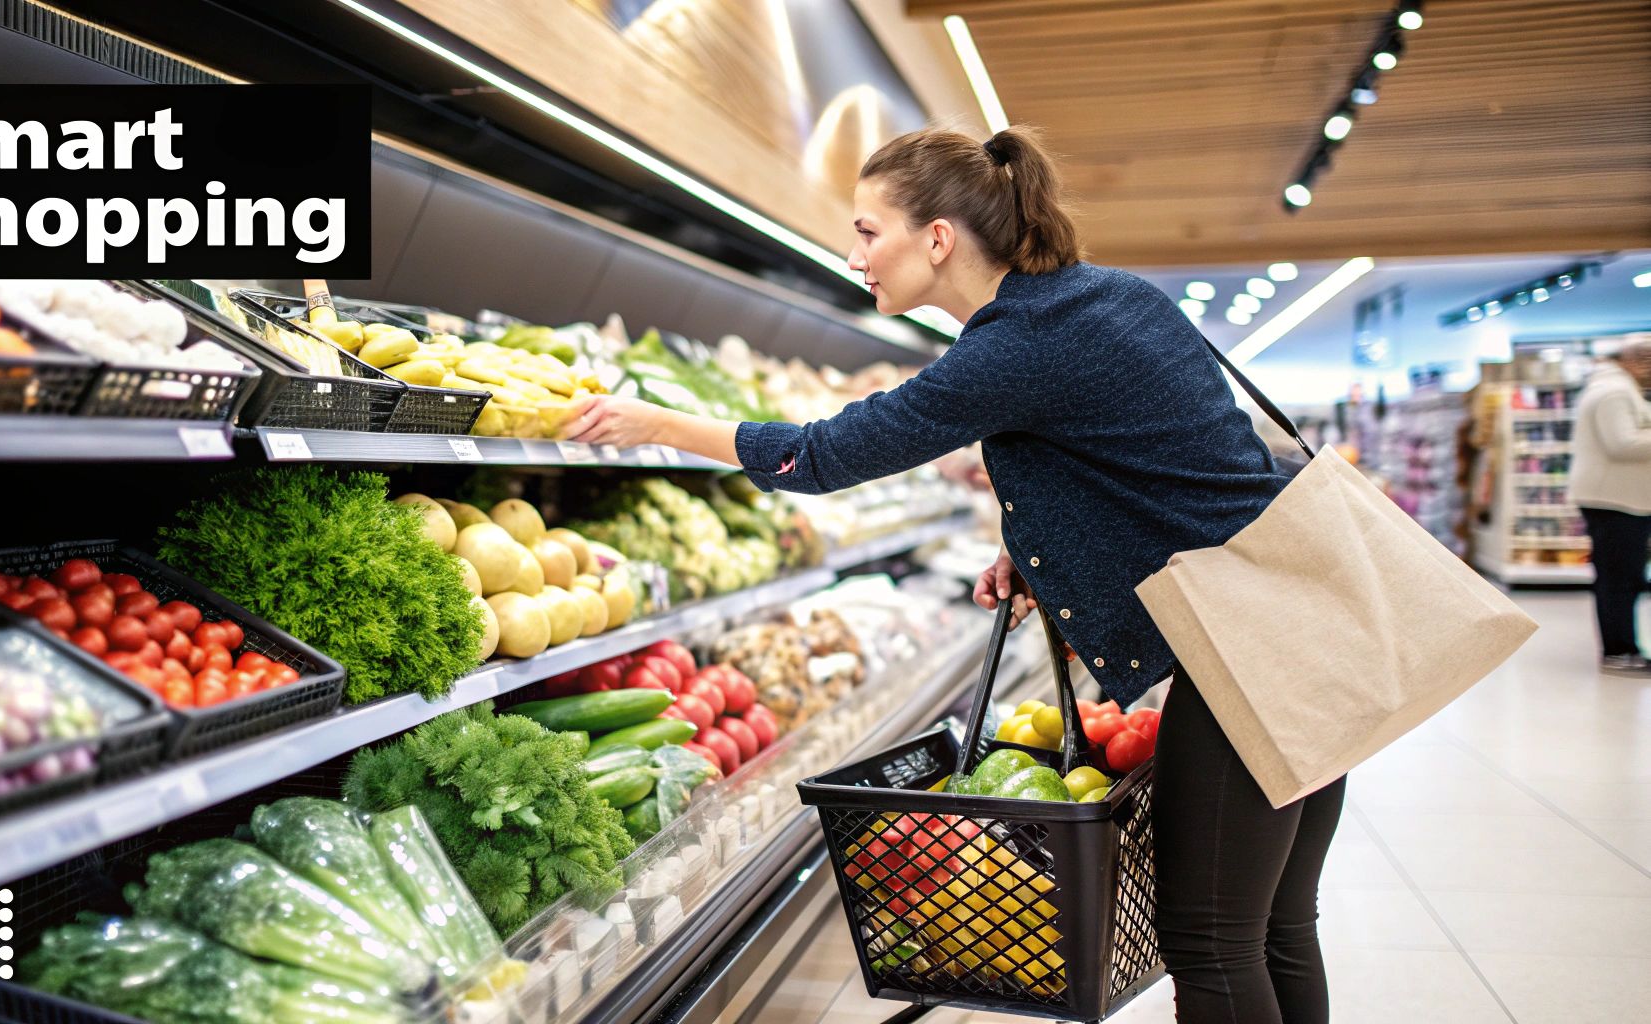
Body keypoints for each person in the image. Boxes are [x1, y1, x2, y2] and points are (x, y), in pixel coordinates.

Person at [564, 125, 1344, 1023]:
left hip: (1246, 655)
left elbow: (824, 455)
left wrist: (656, 424)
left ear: (937, 239)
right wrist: (1039, 545)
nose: (853, 253)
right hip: (1303, 621)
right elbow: (1173, 460)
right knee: (1278, 927)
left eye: (866, 231)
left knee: (1209, 942)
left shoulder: (1015, 343)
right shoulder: (1107, 298)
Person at [1569, 338, 1651, 675]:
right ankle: (1619, 649)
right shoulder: (1614, 393)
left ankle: (1623, 647)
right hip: (1615, 500)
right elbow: (1622, 443)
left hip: (1621, 498)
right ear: (1631, 360)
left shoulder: (1615, 388)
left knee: (1623, 577)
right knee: (1620, 578)